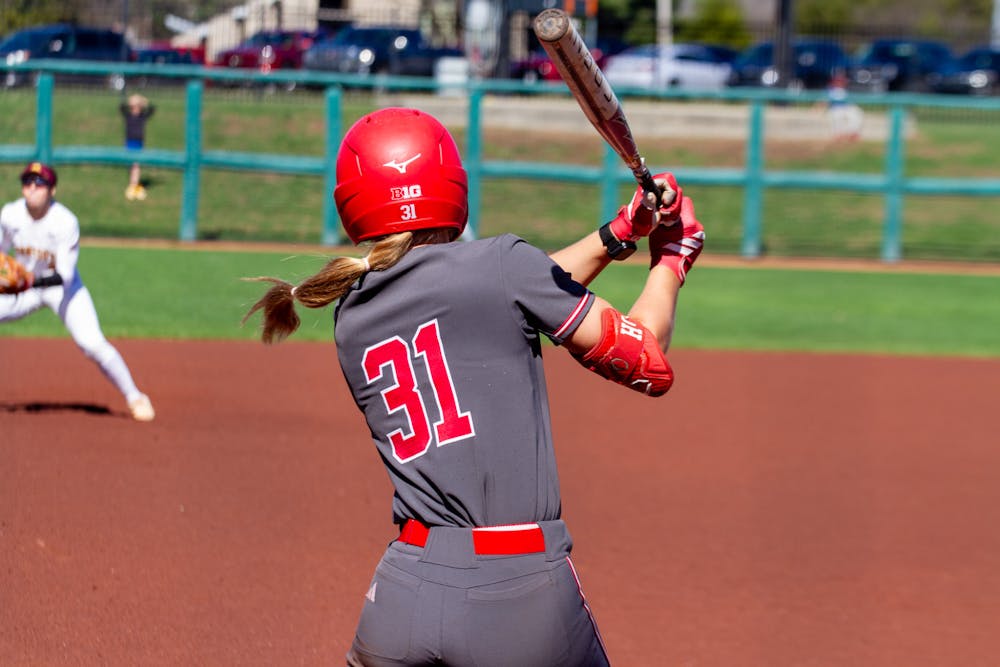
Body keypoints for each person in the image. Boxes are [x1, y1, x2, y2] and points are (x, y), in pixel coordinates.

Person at [242, 107, 705, 666]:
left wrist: (619, 233)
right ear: (452, 184)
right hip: (520, 594)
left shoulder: (353, 310)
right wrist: (672, 258)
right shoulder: (500, 267)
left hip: (402, 596)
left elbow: (505, 297)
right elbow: (647, 363)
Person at [1, 162, 155, 422]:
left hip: (63, 290)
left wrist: (28, 283)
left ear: (52, 190)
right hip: (24, 288)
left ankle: (135, 396)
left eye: (40, 183)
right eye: (28, 182)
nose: (32, 188)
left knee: (92, 344)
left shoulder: (65, 221)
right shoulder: (10, 215)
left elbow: (66, 274)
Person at [119, 93, 155, 200]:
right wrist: (131, 100)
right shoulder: (128, 116)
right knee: (131, 165)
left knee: (136, 165)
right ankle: (133, 184)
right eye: (134, 106)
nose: (136, 109)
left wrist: (143, 100)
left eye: (138, 107)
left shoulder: (142, 117)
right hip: (129, 143)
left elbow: (152, 109)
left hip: (139, 143)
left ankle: (133, 186)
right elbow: (121, 107)